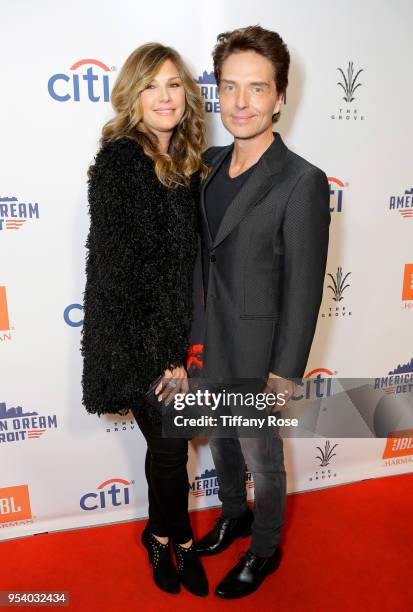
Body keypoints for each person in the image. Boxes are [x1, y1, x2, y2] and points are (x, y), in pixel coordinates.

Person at [194, 26, 331, 598]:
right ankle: (234, 514)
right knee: (220, 440)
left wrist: (285, 372)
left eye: (257, 89)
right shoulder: (205, 162)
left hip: (258, 352)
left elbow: (305, 285)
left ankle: (266, 546)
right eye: (230, 88)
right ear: (218, 93)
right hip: (205, 339)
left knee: (262, 458)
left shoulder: (302, 181)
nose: (241, 103)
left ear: (280, 97)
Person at [80, 42, 209, 597]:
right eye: (151, 85)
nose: (164, 96)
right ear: (133, 96)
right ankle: (175, 540)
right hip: (134, 338)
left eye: (174, 83)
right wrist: (167, 357)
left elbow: (183, 265)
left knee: (168, 445)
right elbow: (129, 272)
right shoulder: (122, 161)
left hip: (170, 333)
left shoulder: (184, 164)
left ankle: (161, 535)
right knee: (168, 443)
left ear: (186, 93)